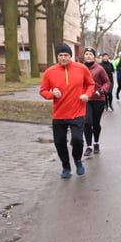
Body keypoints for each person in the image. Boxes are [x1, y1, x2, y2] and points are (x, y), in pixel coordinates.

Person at [40, 43, 95, 178]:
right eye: (60, 55)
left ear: (71, 56)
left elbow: (90, 84)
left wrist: (86, 95)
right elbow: (43, 91)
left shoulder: (81, 69)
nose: (63, 58)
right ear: (57, 57)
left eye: (66, 55)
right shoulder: (49, 72)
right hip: (59, 114)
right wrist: (52, 94)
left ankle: (77, 160)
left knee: (77, 140)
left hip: (77, 112)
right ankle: (66, 166)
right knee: (59, 142)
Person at [82, 48, 111, 156]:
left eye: (90, 54)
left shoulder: (99, 69)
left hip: (98, 99)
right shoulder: (81, 68)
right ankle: (88, 146)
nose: (88, 56)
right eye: (86, 54)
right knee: (87, 122)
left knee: (95, 123)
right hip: (86, 99)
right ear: (84, 56)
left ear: (94, 56)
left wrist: (102, 90)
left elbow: (107, 82)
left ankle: (96, 143)